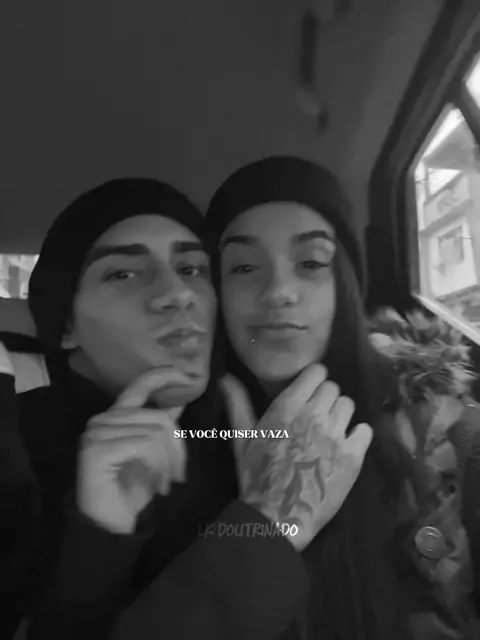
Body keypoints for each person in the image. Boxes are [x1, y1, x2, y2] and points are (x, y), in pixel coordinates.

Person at [2, 177, 371, 640]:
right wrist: (99, 541)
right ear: (65, 326)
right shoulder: (15, 449)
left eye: (193, 269)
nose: (179, 293)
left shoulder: (264, 427)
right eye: (123, 274)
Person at [204, 156, 414, 640]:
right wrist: (259, 529)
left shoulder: (443, 434)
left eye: (312, 263)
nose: (278, 291)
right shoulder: (186, 440)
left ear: (346, 286)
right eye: (244, 267)